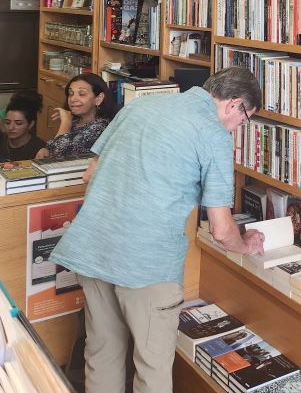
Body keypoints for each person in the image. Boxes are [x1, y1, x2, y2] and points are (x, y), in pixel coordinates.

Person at [50, 67, 266, 393]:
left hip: (94, 247)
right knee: (152, 366)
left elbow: (89, 174)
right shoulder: (214, 135)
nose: (238, 127)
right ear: (234, 104)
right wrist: (247, 244)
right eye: (244, 120)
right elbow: (222, 231)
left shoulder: (140, 106)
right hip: (147, 263)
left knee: (102, 351)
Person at [35, 73, 115, 160]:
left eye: (82, 94)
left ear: (99, 98)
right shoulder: (75, 119)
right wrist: (45, 151)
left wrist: (66, 122)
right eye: (71, 93)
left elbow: (58, 154)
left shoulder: (100, 127)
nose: (73, 99)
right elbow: (53, 147)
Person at [0, 90, 45, 161]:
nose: (11, 127)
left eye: (18, 123)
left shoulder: (39, 148)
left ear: (31, 124)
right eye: (7, 122)